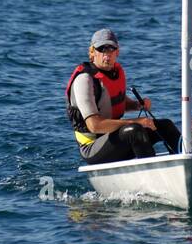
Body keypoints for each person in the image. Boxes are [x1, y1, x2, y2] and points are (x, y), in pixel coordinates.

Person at [66, 28, 181, 165]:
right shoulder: (85, 80)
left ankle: (185, 164)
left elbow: (113, 103)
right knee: (134, 130)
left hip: (115, 138)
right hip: (92, 147)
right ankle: (153, 171)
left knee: (166, 126)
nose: (107, 54)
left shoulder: (114, 73)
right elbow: (94, 125)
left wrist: (137, 105)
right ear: (92, 52)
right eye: (101, 49)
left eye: (111, 49)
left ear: (117, 52)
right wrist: (137, 122)